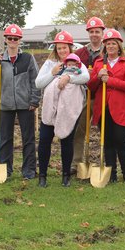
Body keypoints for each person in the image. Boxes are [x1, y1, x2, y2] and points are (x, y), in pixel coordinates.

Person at [35, 31, 89, 187]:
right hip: (50, 109)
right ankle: (43, 176)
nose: (62, 51)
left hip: (68, 109)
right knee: (45, 140)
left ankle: (66, 176)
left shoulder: (77, 62)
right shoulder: (50, 63)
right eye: (59, 48)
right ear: (55, 49)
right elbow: (38, 83)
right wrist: (53, 74)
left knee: (66, 141)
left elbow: (85, 77)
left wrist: (68, 77)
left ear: (70, 47)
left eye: (64, 48)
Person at [0, 24, 40, 180]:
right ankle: (6, 169)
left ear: (19, 41)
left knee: (28, 138)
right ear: (5, 40)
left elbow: (35, 80)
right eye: (10, 38)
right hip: (5, 104)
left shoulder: (28, 58)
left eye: (15, 39)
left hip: (26, 104)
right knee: (5, 138)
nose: (12, 41)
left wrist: (35, 100)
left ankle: (29, 170)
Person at [87, 29, 125, 182]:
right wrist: (97, 76)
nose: (111, 46)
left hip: (120, 108)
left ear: (119, 46)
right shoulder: (99, 63)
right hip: (103, 108)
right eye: (108, 44)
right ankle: (111, 174)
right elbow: (91, 86)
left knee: (120, 140)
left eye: (113, 43)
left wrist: (110, 81)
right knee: (107, 142)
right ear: (104, 46)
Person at [72, 16, 105, 173]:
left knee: (104, 130)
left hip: (101, 96)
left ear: (102, 33)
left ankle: (104, 163)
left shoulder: (108, 50)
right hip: (83, 96)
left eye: (97, 31)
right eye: (91, 32)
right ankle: (77, 163)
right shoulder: (80, 53)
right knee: (79, 130)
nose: (94, 34)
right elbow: (71, 71)